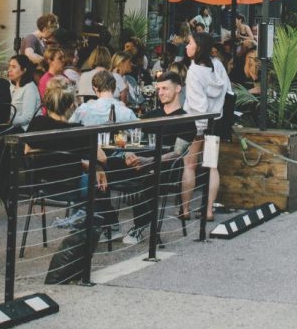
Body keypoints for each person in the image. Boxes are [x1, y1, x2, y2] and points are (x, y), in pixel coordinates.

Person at [25, 78, 118, 237]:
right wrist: (92, 166)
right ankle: (104, 224)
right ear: (71, 106)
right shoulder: (78, 131)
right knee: (101, 175)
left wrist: (79, 163)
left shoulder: (37, 124)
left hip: (42, 185)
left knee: (94, 174)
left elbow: (28, 152)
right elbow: (102, 158)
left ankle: (85, 220)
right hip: (74, 187)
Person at [119, 71, 194, 245]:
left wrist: (150, 162)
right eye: (158, 89)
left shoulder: (186, 120)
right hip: (141, 162)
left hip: (166, 168)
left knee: (147, 177)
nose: (160, 93)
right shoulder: (150, 116)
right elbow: (130, 138)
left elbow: (177, 153)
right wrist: (128, 153)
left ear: (178, 89)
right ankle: (107, 224)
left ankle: (139, 226)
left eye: (165, 88)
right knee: (103, 168)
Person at [182, 31, 231, 223]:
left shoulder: (194, 71)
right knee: (212, 166)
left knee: (189, 164)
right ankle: (209, 210)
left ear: (199, 48)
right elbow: (228, 91)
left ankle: (185, 209)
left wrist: (199, 130)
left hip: (197, 123)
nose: (187, 46)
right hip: (216, 121)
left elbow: (197, 104)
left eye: (190, 43)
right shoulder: (217, 66)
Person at [70, 70, 137, 125]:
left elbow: (69, 127)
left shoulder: (83, 109)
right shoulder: (126, 112)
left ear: (95, 88)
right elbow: (138, 132)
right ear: (114, 87)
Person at [7, 54, 40, 129]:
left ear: (24, 70)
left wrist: (9, 121)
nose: (9, 70)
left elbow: (27, 117)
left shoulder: (29, 88)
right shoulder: (11, 86)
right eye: (9, 66)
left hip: (27, 129)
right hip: (14, 127)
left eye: (13, 67)